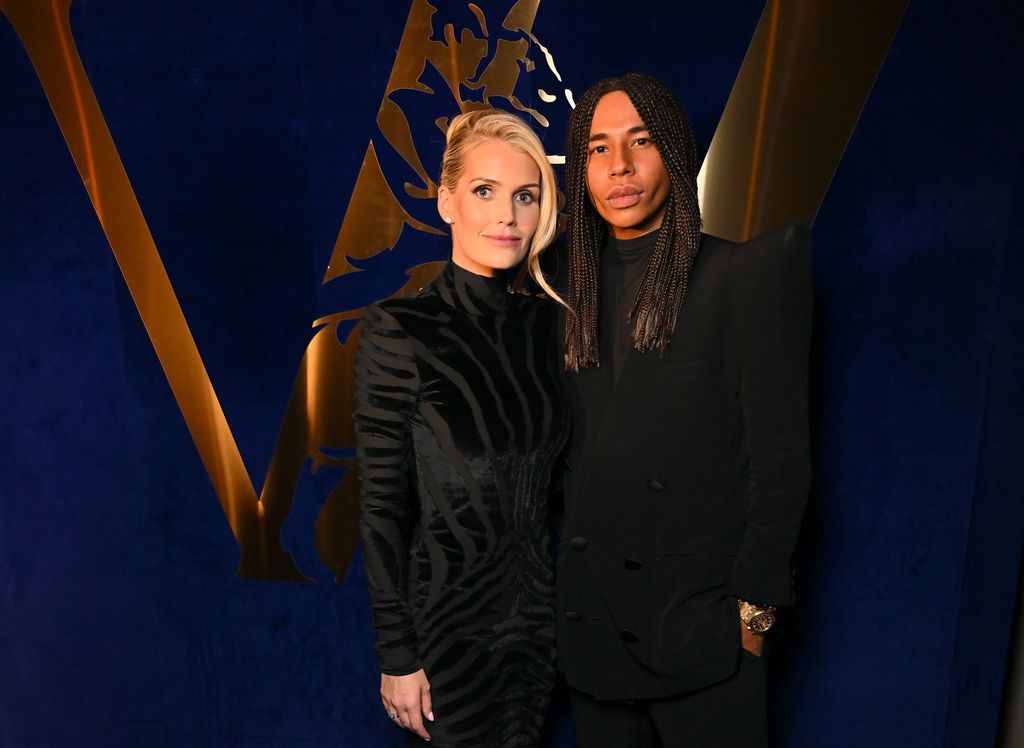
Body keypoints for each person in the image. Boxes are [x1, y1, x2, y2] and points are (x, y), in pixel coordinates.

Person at [556, 73, 814, 747]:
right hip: (595, 637)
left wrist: (754, 617)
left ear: (674, 152)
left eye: (640, 141)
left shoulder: (741, 275)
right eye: (598, 148)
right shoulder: (561, 296)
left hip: (702, 636)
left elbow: (782, 462)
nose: (620, 166)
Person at [354, 109, 568, 747]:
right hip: (446, 633)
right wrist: (397, 655)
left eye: (525, 196)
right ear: (447, 202)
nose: (507, 216)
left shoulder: (549, 326)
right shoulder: (399, 329)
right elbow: (382, 506)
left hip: (538, 627)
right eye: (484, 191)